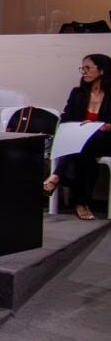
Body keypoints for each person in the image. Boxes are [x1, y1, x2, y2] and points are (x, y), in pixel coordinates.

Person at [45, 54, 111, 220]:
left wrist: (107, 126)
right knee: (85, 155)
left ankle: (57, 175)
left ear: (102, 70)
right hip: (83, 141)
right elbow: (66, 117)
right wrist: (81, 124)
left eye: (88, 68)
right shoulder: (78, 93)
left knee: (84, 143)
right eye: (82, 68)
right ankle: (82, 203)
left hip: (107, 139)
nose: (84, 72)